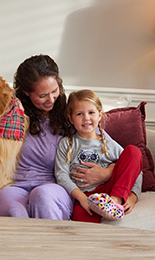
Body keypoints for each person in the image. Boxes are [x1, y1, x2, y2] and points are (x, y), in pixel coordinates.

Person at [0, 55, 112, 260]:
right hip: (14, 184)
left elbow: (102, 143)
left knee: (43, 196)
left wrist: (108, 171)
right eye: (42, 95)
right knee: (13, 209)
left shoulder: (70, 111)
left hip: (54, 183)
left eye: (54, 90)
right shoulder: (12, 112)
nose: (50, 98)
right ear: (26, 93)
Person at [56, 89, 143, 223]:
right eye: (79, 114)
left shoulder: (108, 144)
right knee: (81, 226)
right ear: (70, 118)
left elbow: (135, 169)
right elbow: (61, 175)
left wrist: (133, 196)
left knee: (133, 151)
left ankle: (115, 202)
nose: (86, 118)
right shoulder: (66, 143)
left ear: (100, 115)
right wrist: (81, 198)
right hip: (86, 196)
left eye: (91, 112)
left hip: (109, 190)